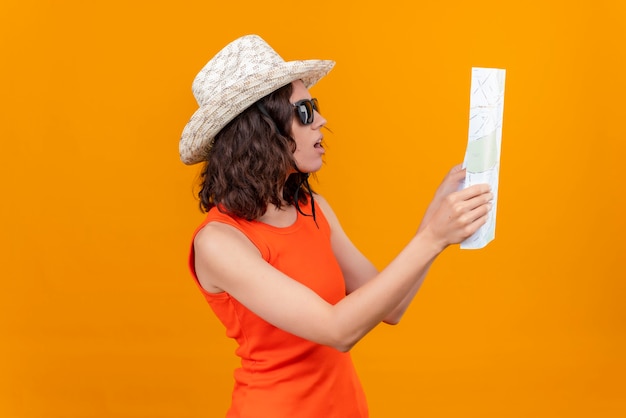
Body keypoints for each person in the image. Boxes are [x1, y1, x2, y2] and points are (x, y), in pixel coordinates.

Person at [179, 34, 492, 418]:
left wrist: (434, 223)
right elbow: (338, 330)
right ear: (259, 133)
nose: (322, 120)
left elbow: (391, 308)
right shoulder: (220, 241)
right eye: (305, 111)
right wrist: (432, 237)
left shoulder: (315, 210)